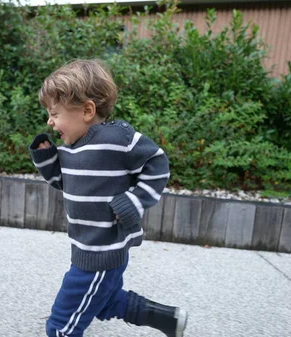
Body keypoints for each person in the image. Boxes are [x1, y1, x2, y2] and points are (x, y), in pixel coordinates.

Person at [29, 59, 188, 337]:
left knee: (61, 325)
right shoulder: (70, 148)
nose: (50, 122)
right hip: (86, 250)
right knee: (106, 302)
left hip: (99, 256)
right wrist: (46, 158)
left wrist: (136, 200)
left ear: (87, 110)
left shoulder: (119, 138)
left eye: (55, 113)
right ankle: (170, 319)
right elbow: (63, 183)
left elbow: (157, 163)